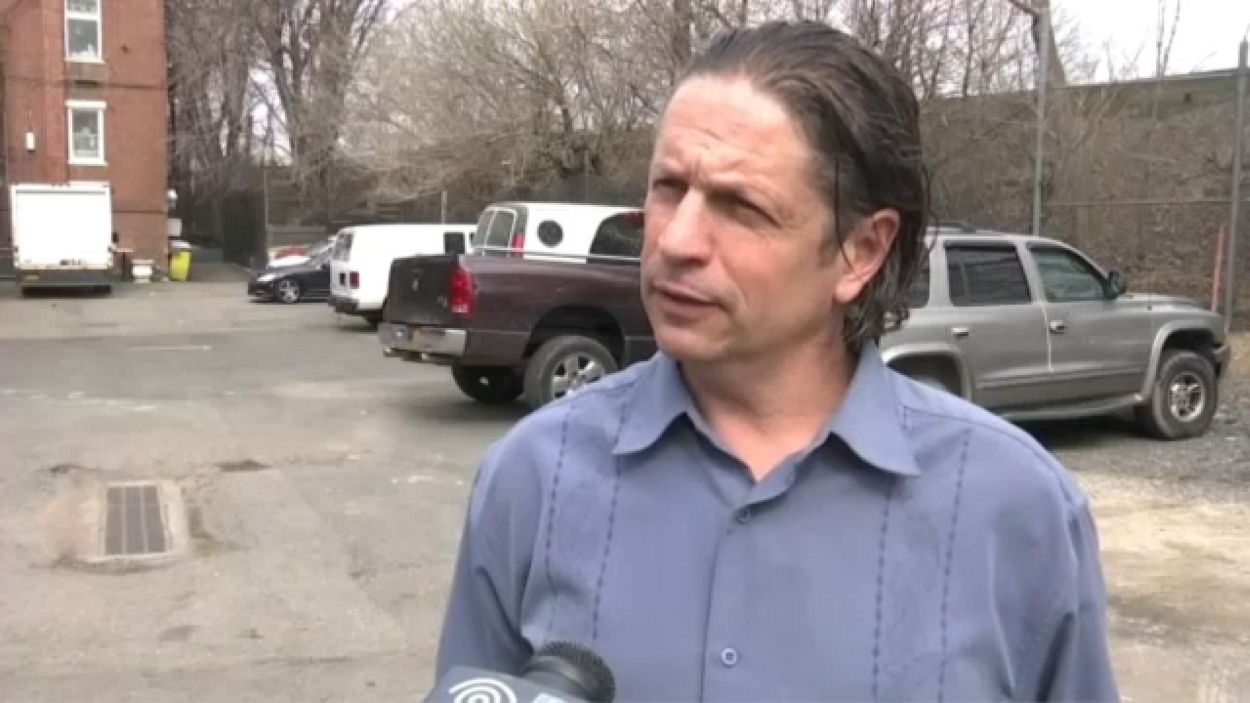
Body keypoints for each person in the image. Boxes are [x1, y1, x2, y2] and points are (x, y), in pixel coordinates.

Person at [435, 20, 1119, 702]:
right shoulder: (535, 476)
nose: (677, 241)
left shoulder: (1017, 507)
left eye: (741, 206)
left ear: (861, 251)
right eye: (669, 187)